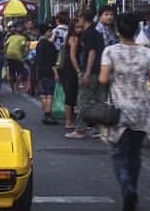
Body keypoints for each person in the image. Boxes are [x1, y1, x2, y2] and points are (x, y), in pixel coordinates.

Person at [99, 12, 150, 211]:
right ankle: (132, 186)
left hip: (119, 109)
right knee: (135, 153)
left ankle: (127, 188)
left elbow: (104, 79)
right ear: (137, 30)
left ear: (117, 30)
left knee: (118, 152)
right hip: (142, 108)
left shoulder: (110, 52)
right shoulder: (147, 54)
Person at [68, 9, 105, 140]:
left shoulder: (88, 34)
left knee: (83, 100)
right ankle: (101, 129)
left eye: (79, 18)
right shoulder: (96, 33)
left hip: (91, 72)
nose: (78, 21)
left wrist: (87, 73)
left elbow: (92, 53)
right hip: (100, 71)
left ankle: (80, 130)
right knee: (99, 100)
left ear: (83, 18)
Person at [59, 18, 81, 134]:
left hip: (67, 68)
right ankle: (69, 121)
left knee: (70, 94)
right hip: (71, 69)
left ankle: (70, 120)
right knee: (71, 94)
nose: (80, 29)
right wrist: (78, 70)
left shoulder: (69, 37)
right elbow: (73, 56)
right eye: (77, 27)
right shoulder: (73, 38)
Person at [34, 23, 59, 124]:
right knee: (49, 94)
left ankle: (45, 114)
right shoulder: (50, 45)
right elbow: (53, 60)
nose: (51, 32)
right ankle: (48, 115)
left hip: (40, 70)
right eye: (49, 31)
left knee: (43, 94)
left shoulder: (39, 44)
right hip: (49, 71)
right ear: (46, 32)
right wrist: (56, 72)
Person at [5, 24, 28, 93]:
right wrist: (25, 55)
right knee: (20, 72)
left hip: (9, 55)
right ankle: (16, 86)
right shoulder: (23, 38)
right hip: (18, 55)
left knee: (12, 71)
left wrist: (5, 53)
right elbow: (24, 47)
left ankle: (13, 86)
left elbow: (5, 45)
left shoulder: (11, 37)